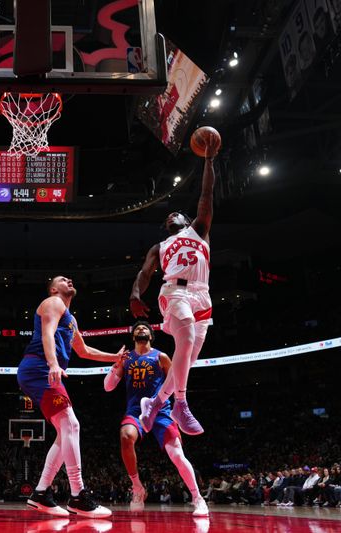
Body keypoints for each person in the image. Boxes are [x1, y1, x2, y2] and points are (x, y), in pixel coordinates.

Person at [129, 134, 219, 436]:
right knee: (187, 339)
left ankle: (155, 403)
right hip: (174, 292)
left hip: (202, 296)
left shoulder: (199, 231)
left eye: (175, 213)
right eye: (167, 217)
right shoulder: (161, 245)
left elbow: (207, 194)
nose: (170, 215)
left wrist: (208, 160)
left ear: (186, 218)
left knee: (188, 359)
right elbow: (144, 272)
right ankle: (179, 403)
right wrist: (135, 294)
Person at [19, 275, 127, 518]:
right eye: (62, 279)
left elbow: (84, 350)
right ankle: (78, 495)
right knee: (71, 423)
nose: (69, 279)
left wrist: (114, 358)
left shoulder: (71, 319)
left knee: (65, 428)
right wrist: (53, 364)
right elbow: (47, 333)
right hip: (39, 367)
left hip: (41, 369)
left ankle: (40, 493)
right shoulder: (53, 302)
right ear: (53, 288)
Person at [103, 321, 209, 516]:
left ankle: (197, 497)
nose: (141, 329)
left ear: (151, 336)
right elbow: (107, 387)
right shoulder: (125, 359)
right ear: (133, 335)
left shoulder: (161, 357)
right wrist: (115, 365)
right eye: (137, 328)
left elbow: (177, 382)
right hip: (135, 411)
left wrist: (179, 405)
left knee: (176, 454)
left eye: (145, 328)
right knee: (126, 436)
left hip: (161, 411)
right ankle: (137, 488)